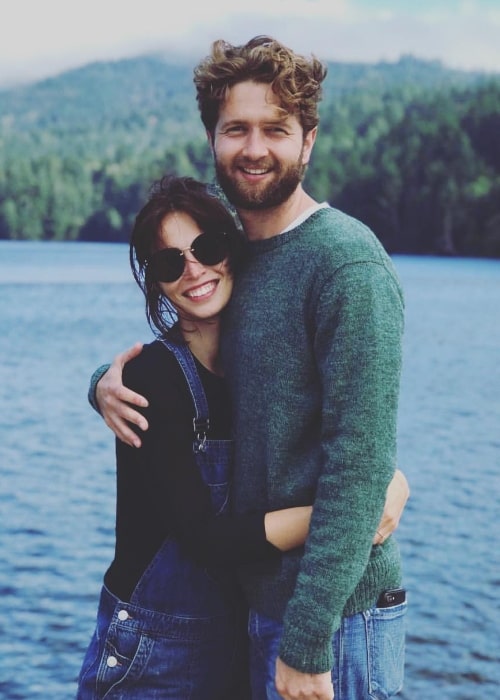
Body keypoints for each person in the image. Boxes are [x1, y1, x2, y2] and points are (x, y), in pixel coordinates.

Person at [88, 36, 408, 700]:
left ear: (309, 141)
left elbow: (360, 450)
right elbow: (189, 355)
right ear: (213, 138)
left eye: (276, 129)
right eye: (237, 128)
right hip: (255, 610)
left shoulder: (346, 262)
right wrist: (100, 383)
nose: (255, 148)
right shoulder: (242, 256)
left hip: (331, 621)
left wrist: (308, 639)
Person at [78, 174, 316, 699]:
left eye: (206, 247)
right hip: (150, 654)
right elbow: (203, 538)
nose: (194, 271)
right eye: (169, 262)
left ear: (230, 246)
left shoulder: (257, 373)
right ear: (155, 281)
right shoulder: (149, 378)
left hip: (235, 646)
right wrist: (340, 516)